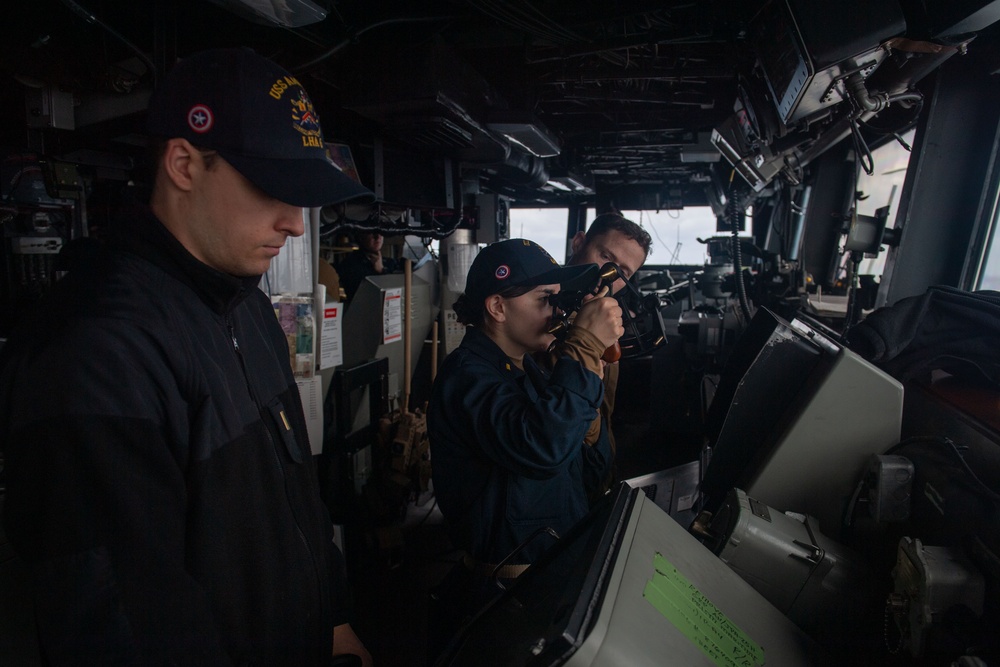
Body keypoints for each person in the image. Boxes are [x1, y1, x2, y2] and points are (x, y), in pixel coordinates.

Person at [0, 48, 374, 666]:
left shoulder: (246, 307)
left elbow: (293, 494)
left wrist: (330, 619)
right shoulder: (97, 348)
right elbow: (121, 622)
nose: (294, 223)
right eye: (272, 187)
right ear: (182, 164)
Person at [426, 238, 623, 645]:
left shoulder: (531, 371)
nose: (555, 312)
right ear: (497, 307)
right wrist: (583, 348)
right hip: (504, 598)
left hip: (552, 576)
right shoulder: (466, 377)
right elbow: (541, 449)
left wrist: (588, 424)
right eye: (544, 299)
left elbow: (592, 477)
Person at [555, 212, 652, 491]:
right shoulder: (535, 311)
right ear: (578, 243)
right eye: (605, 257)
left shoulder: (606, 320)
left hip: (596, 463)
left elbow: (603, 410)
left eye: (624, 272)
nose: (610, 276)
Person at [338, 230, 399, 303]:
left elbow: (397, 293)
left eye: (381, 232)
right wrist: (380, 272)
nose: (378, 237)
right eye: (372, 232)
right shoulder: (349, 265)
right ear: (361, 237)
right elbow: (363, 296)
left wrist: (382, 270)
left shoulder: (391, 263)